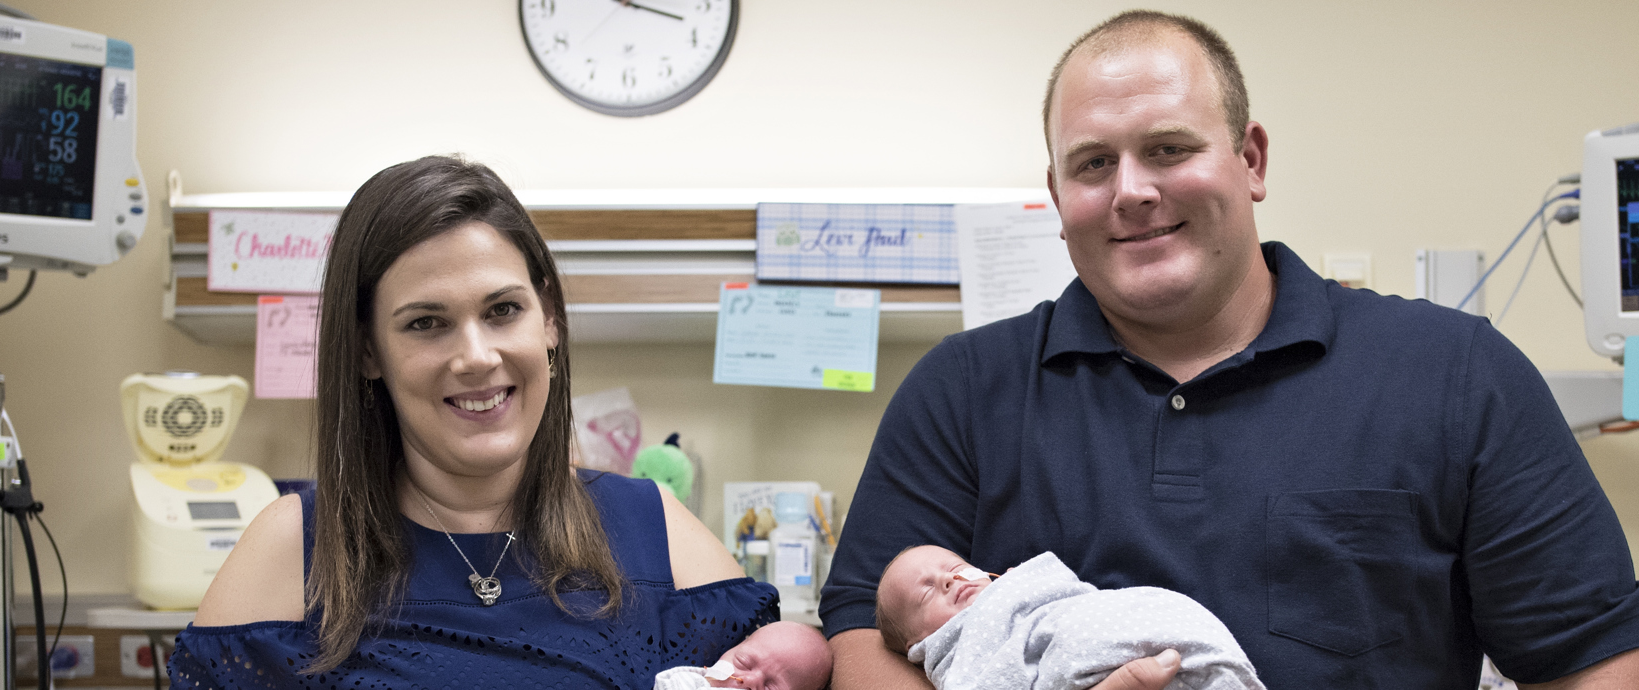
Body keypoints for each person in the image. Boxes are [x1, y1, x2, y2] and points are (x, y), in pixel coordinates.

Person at [822, 11, 1639, 690]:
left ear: (1250, 159)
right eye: (1092, 164)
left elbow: (1594, 660)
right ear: (1057, 196)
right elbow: (862, 638)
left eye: (1169, 149)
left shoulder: (1456, 376)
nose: (1133, 191)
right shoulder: (960, 393)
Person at [169, 156, 780, 687]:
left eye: (503, 310)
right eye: (425, 323)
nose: (478, 356)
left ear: (549, 321)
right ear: (366, 352)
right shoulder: (292, 549)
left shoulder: (660, 536)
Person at [875, 546, 1266, 690]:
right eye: (926, 592)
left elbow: (1073, 600)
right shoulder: (959, 657)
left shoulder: (1015, 588)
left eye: (956, 566)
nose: (949, 579)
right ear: (918, 644)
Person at [652, 621, 833, 690]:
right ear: (730, 650)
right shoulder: (685, 682)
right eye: (743, 662)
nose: (750, 680)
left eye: (771, 688)